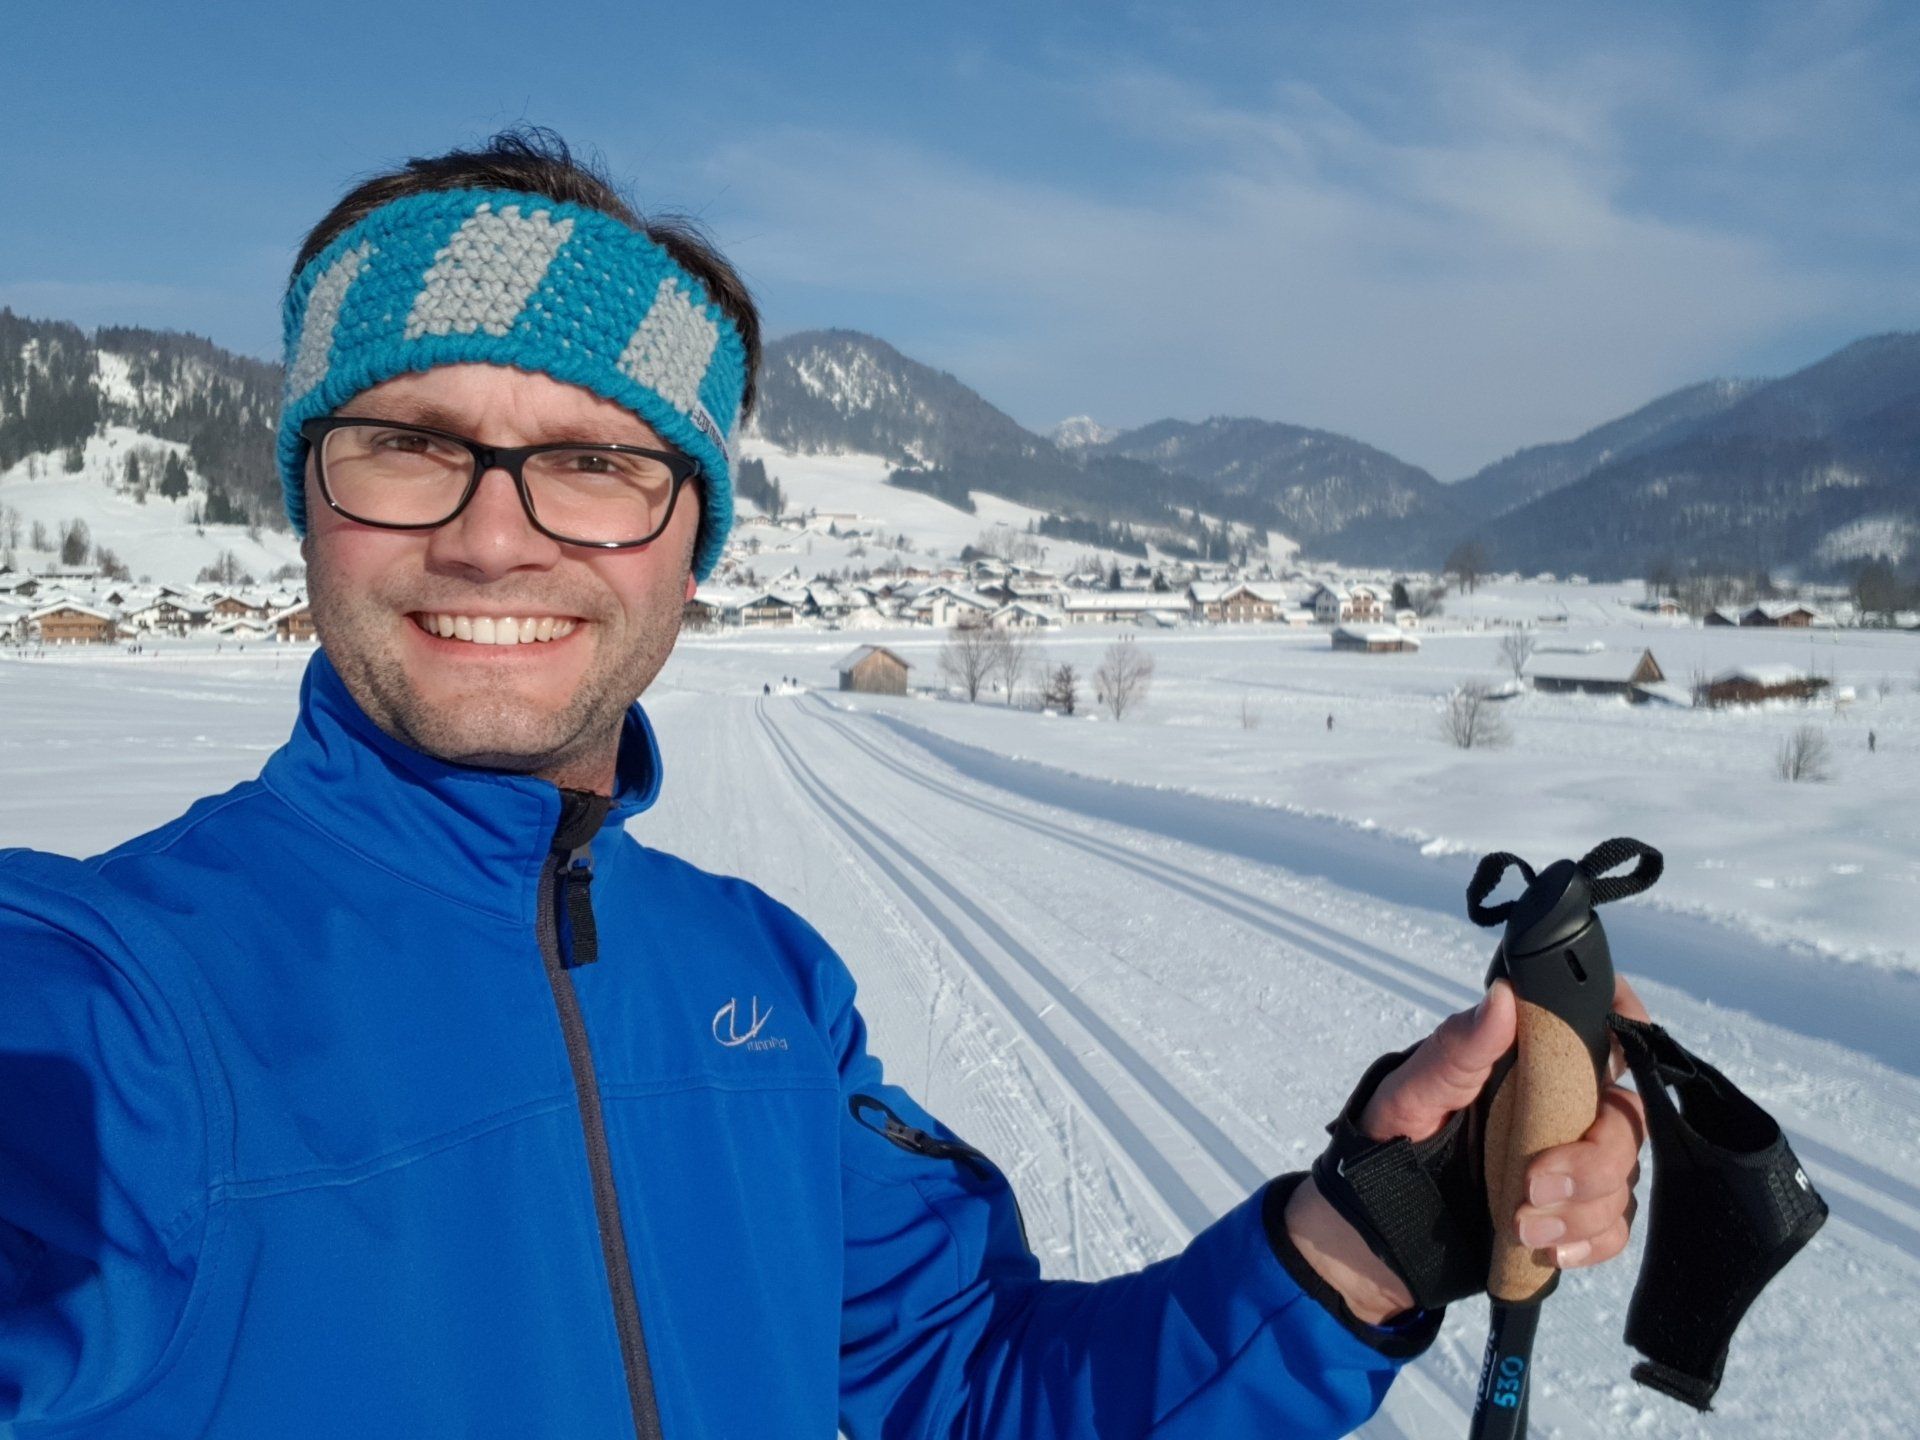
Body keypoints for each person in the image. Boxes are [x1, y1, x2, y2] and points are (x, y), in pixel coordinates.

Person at [0, 131, 1646, 1437]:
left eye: (595, 464)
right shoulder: (105, 1001)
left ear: (689, 546)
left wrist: (1362, 1236)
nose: (494, 532)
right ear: (307, 498)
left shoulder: (764, 986)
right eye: (409, 441)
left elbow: (977, 1392)